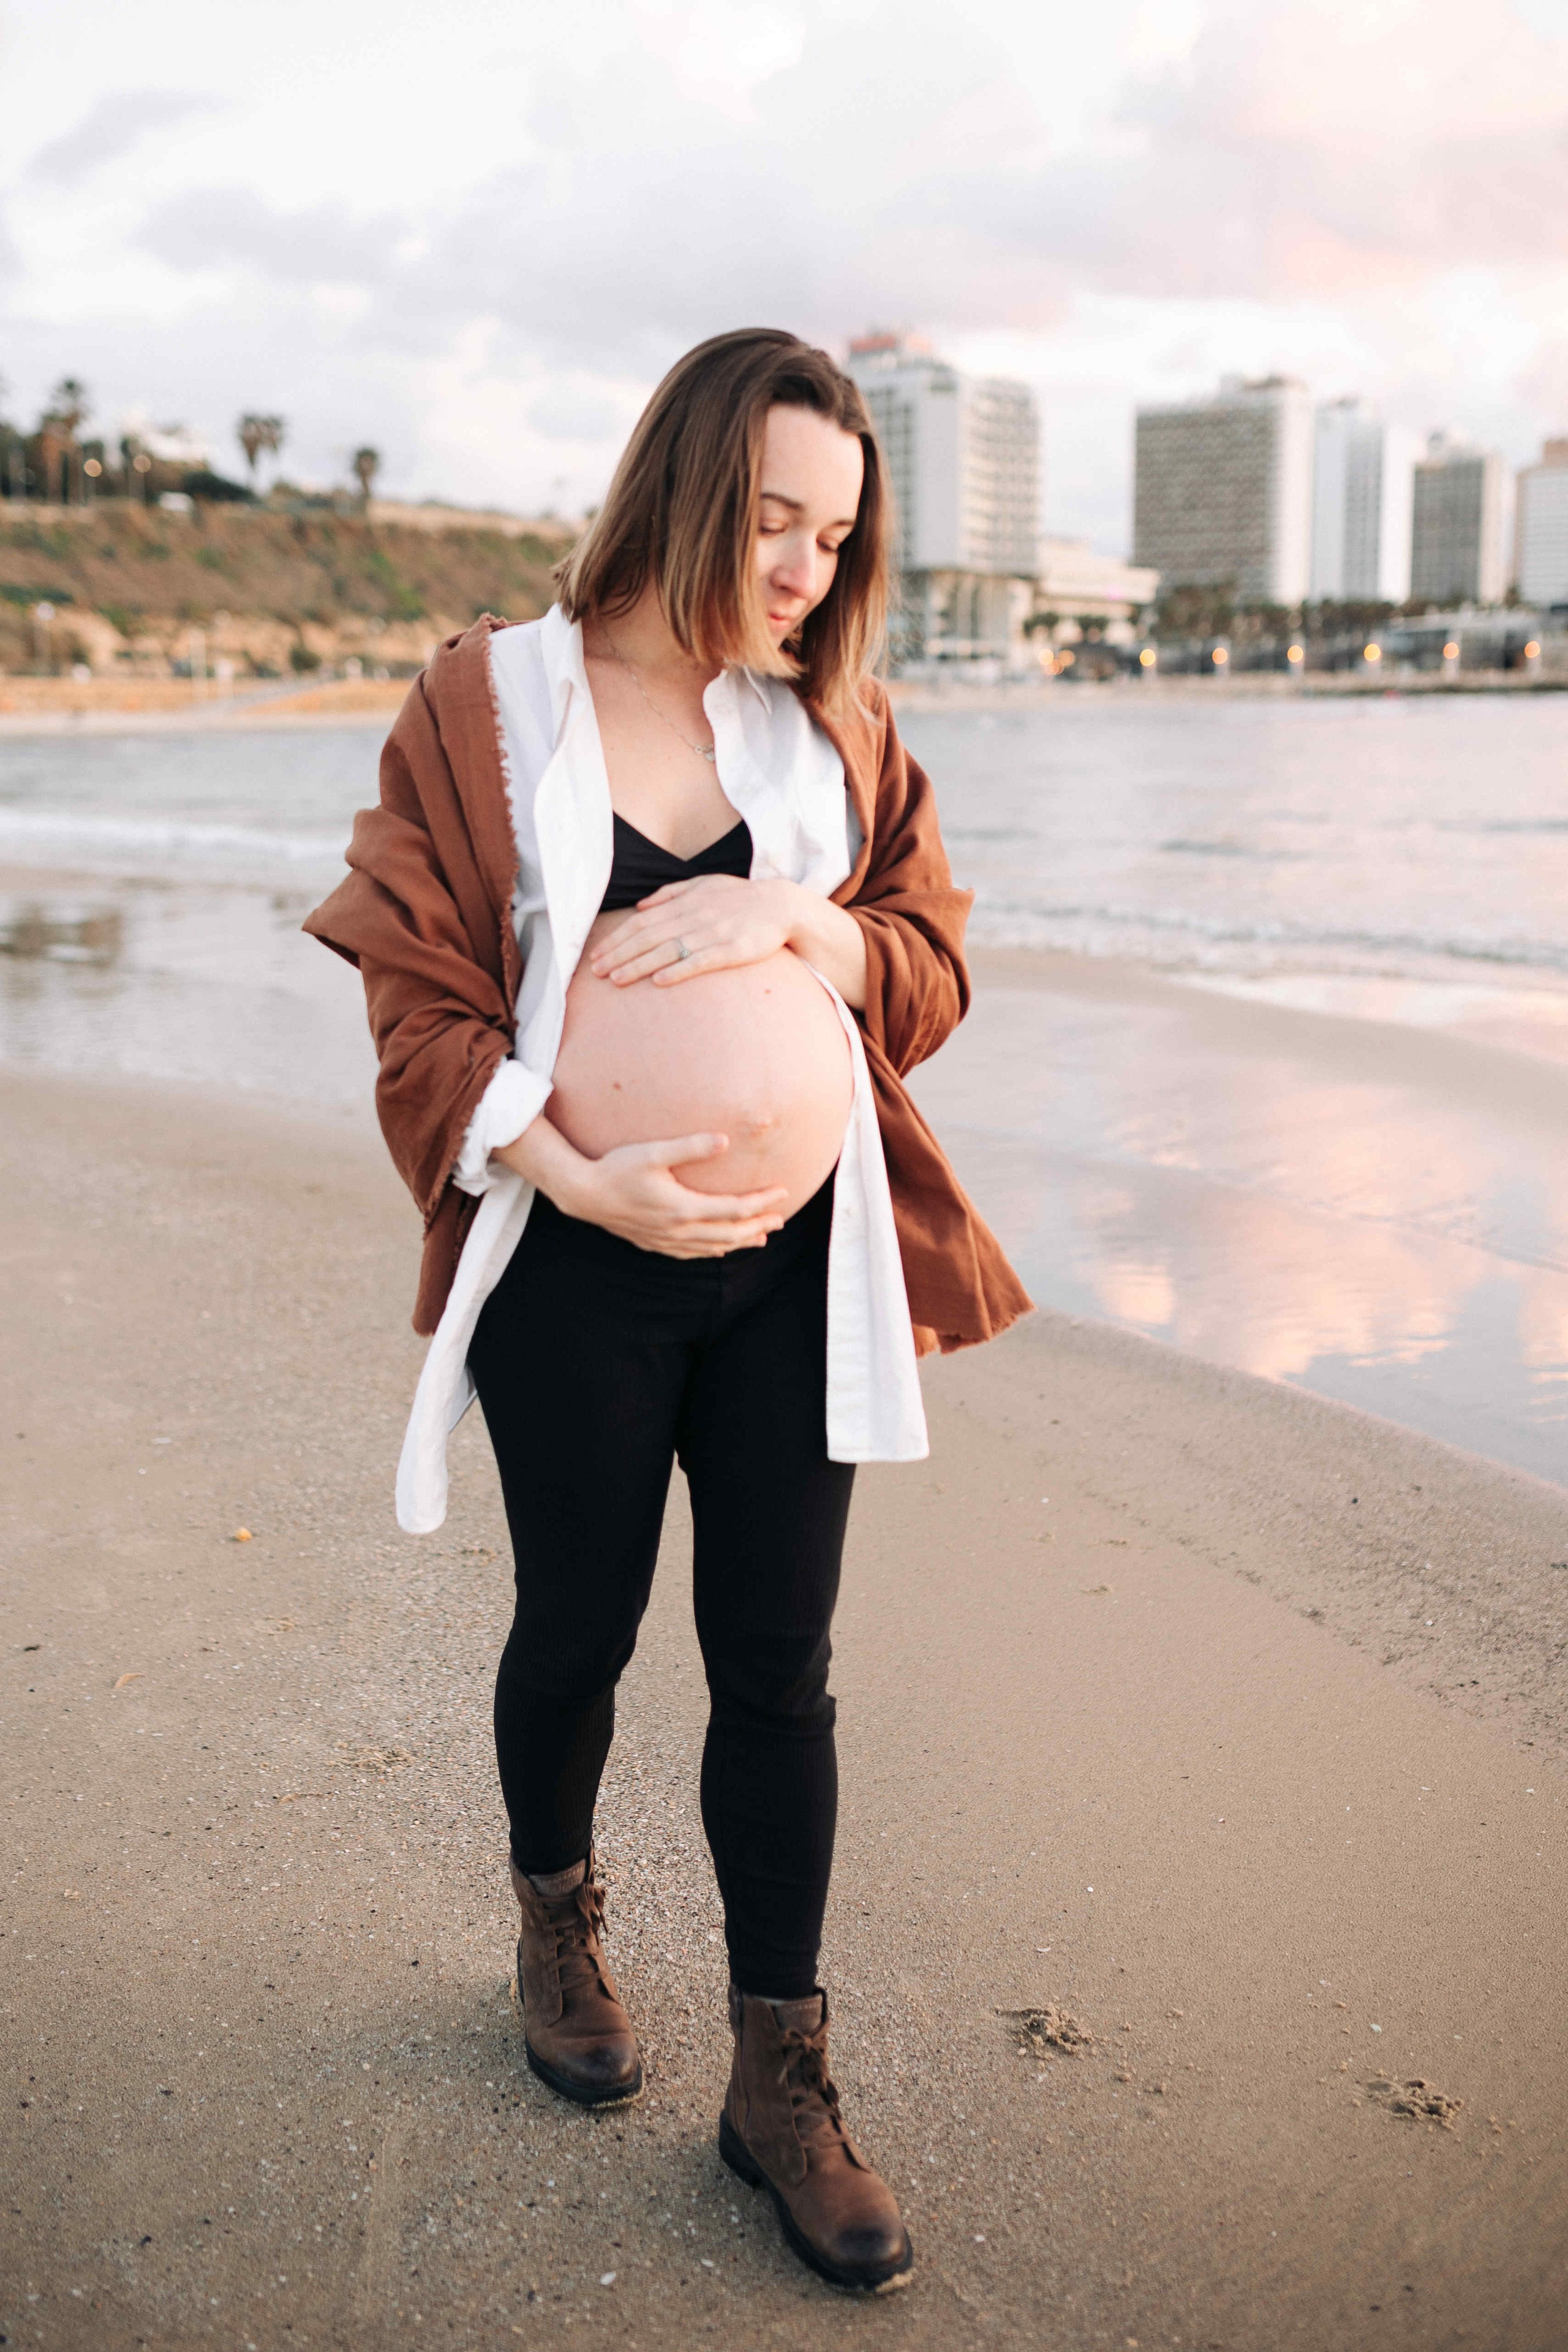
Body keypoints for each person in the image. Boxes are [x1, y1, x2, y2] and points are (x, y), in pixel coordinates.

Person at [304, 327, 1030, 2294]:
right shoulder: (490, 704)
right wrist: (567, 1166)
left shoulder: (838, 727)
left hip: (804, 1267)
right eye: (775, 519)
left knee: (778, 1666)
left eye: (835, 535)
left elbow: (930, 964)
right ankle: (559, 1919)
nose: (804, 568)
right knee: (579, 1624)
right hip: (581, 1264)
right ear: (691, 488)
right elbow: (412, 985)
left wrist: (806, 921)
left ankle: (779, 2080)